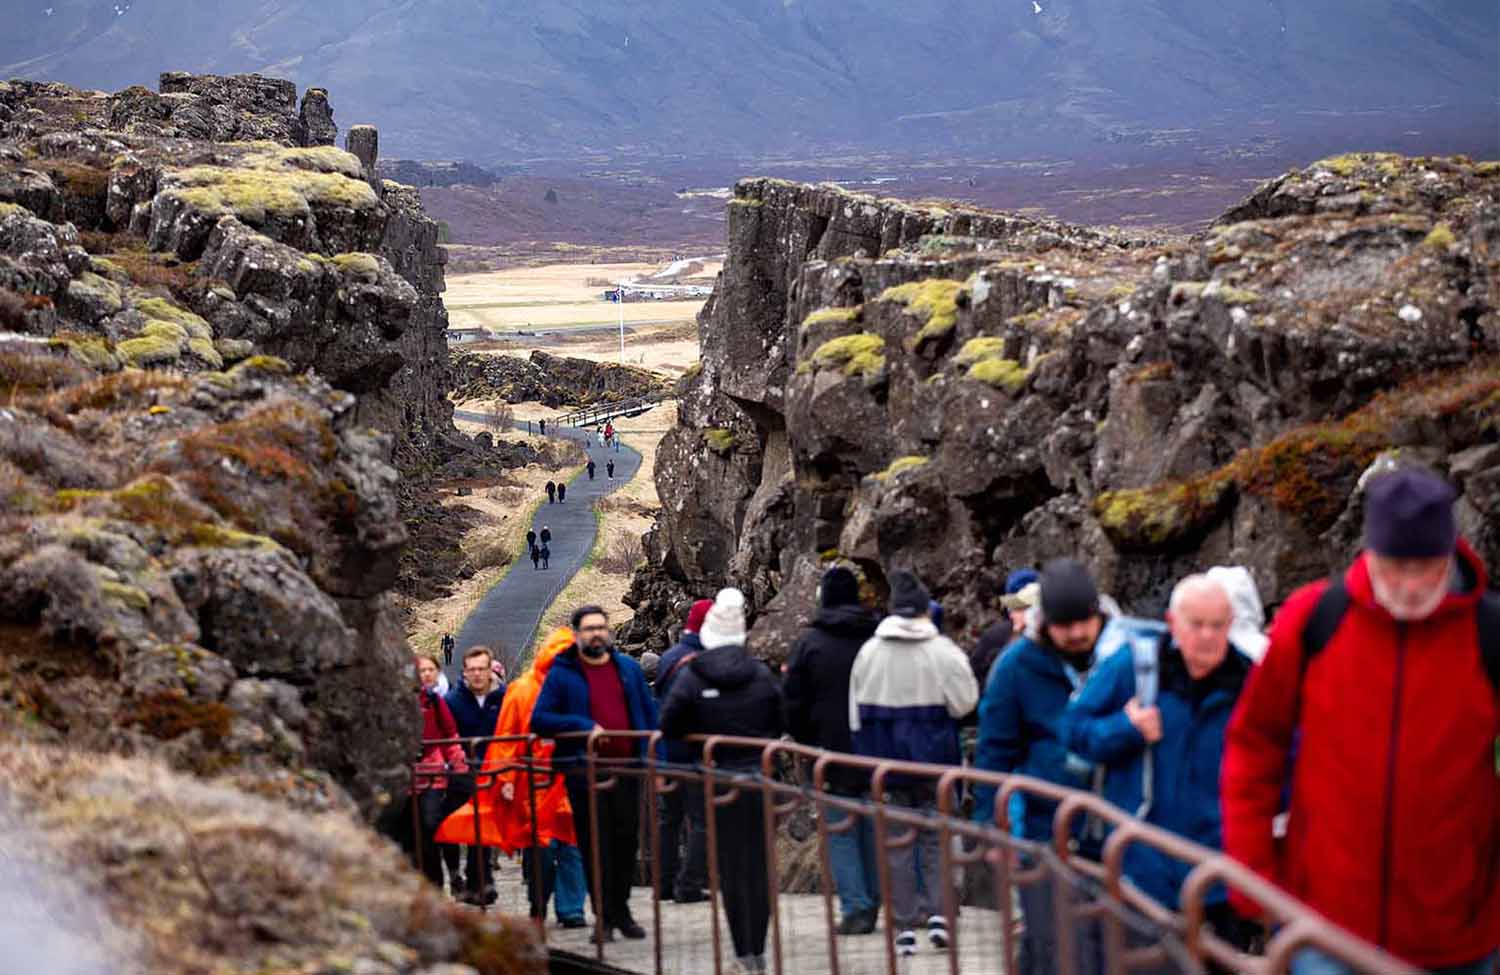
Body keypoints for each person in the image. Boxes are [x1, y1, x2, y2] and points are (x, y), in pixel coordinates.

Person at [1222, 469, 1500, 975]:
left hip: (1458, 938)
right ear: (1370, 553)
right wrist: (1252, 874)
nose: (1411, 586)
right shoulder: (1315, 620)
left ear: (1450, 554)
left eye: (1427, 568)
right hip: (1323, 929)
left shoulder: (1488, 633)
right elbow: (1253, 746)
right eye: (1396, 567)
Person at [1061, 575, 1256, 960]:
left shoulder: (1250, 681)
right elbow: (1073, 729)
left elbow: (1285, 759)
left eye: (1217, 625)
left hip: (1220, 874)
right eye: (1196, 624)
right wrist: (1125, 729)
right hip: (1143, 870)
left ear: (1231, 625)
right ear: (1172, 623)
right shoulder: (1133, 667)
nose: (1206, 635)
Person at [973, 558, 1118, 975]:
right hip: (1044, 830)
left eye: (1084, 622)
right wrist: (990, 825)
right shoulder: (1016, 668)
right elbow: (994, 752)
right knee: (1052, 943)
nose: (1076, 634)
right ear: (1046, 623)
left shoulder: (1118, 655)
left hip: (1114, 826)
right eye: (1064, 625)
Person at [848, 569, 979, 956]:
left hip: (886, 768)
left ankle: (903, 925)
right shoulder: (943, 652)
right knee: (937, 840)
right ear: (924, 611)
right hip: (935, 764)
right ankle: (940, 914)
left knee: (896, 845)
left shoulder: (869, 653)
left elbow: (855, 716)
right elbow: (965, 703)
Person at [661, 588, 784, 974]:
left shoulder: (692, 676)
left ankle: (742, 951)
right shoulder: (760, 673)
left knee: (731, 867)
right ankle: (759, 949)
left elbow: (670, 723)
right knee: (759, 865)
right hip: (758, 778)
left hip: (715, 780)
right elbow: (781, 719)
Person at [442, 627, 588, 929]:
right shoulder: (522, 691)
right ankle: (537, 904)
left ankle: (571, 908)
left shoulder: (579, 686)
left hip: (570, 776)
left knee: (572, 846)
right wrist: (506, 776)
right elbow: (507, 737)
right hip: (533, 781)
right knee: (541, 850)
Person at [531, 605, 659, 942]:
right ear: (577, 635)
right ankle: (604, 915)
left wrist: (653, 759)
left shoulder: (627, 668)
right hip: (584, 773)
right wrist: (581, 725)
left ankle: (622, 910)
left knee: (625, 841)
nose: (596, 633)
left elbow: (648, 717)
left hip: (628, 770)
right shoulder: (563, 673)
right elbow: (540, 720)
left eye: (601, 627)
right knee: (594, 844)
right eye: (589, 629)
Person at [783, 566, 882, 935]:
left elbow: (793, 702)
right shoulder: (874, 636)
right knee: (871, 825)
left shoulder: (810, 644)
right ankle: (872, 898)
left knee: (840, 830)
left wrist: (806, 741)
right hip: (873, 750)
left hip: (829, 752)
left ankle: (856, 907)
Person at [654, 599, 713, 904]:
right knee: (700, 820)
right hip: (691, 754)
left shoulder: (670, 657)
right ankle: (688, 883)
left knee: (669, 819)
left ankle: (663, 882)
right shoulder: (700, 660)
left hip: (666, 752)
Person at [445, 645, 509, 905]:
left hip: (492, 770)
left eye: (481, 669)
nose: (477, 674)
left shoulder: (503, 698)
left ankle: (481, 881)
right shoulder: (453, 700)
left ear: (489, 669)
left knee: (482, 826)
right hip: (462, 771)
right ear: (464, 672)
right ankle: (467, 878)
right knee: (462, 828)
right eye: (471, 670)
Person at [413, 654, 469, 891]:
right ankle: (430, 882)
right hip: (411, 774)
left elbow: (449, 733)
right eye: (420, 670)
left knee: (432, 823)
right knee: (416, 832)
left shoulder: (437, 700)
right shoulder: (411, 700)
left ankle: (444, 879)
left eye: (430, 669)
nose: (426, 674)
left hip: (435, 771)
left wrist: (458, 764)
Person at [968, 569, 1039, 688]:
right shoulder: (994, 638)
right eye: (1012, 607)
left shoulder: (994, 637)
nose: (1013, 614)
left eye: (1022, 607)